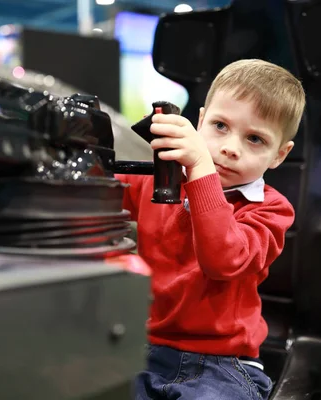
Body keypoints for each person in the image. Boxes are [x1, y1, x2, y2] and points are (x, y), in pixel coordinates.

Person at [116, 59, 306, 400]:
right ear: (200, 121)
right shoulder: (158, 180)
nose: (230, 147)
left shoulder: (271, 209)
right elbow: (96, 195)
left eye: (255, 139)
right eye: (220, 126)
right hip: (146, 349)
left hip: (222, 365)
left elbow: (223, 259)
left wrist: (201, 167)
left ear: (280, 154)